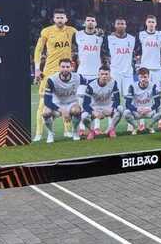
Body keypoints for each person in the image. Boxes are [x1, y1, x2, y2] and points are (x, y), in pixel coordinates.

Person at [33, 9, 77, 141]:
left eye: (62, 17)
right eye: (57, 17)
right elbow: (38, 50)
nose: (59, 20)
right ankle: (39, 133)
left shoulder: (72, 31)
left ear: (66, 19)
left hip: (66, 71)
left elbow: (85, 38)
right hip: (49, 72)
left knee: (66, 100)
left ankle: (67, 131)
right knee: (42, 102)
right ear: (54, 19)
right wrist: (37, 69)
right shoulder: (46, 31)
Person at [42, 58, 84, 144]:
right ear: (59, 67)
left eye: (67, 67)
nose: (65, 69)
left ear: (71, 67)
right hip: (57, 104)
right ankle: (51, 133)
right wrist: (62, 110)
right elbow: (47, 101)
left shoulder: (77, 77)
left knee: (77, 110)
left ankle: (75, 131)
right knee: (46, 113)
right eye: (63, 67)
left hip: (71, 103)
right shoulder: (51, 80)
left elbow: (90, 82)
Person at [81, 65, 121, 140]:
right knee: (84, 116)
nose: (104, 76)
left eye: (106, 74)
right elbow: (85, 104)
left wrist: (112, 109)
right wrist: (93, 112)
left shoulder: (113, 83)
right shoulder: (91, 85)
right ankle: (91, 131)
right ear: (98, 75)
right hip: (95, 107)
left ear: (109, 74)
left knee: (120, 109)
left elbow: (117, 100)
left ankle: (111, 129)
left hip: (108, 107)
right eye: (102, 74)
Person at [124, 67, 161, 134]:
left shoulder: (153, 86)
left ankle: (150, 126)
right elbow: (127, 103)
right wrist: (137, 109)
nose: (143, 79)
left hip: (149, 111)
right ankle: (136, 127)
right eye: (141, 77)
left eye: (145, 77)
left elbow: (157, 102)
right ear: (138, 77)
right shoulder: (132, 86)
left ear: (148, 77)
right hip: (137, 112)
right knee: (126, 113)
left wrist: (150, 108)